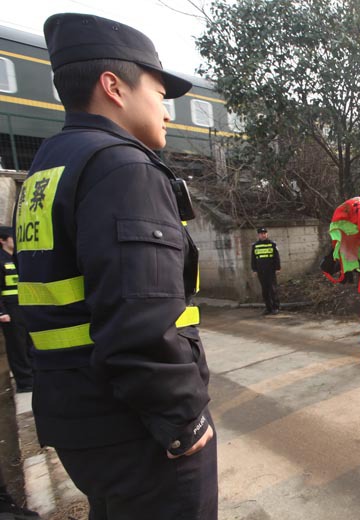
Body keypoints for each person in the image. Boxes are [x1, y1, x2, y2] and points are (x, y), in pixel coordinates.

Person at [14, 14, 216, 518]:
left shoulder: (49, 167)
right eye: (158, 90)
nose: (167, 111)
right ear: (113, 87)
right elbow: (141, 316)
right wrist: (182, 420)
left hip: (81, 420)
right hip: (137, 428)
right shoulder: (123, 167)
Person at [0, 226, 33, 393]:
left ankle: (33, 375)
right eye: (12, 237)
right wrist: (2, 311)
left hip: (23, 305)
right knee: (16, 346)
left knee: (27, 341)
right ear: (3, 240)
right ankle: (24, 382)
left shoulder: (16, 258)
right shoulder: (1, 259)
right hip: (10, 308)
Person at [251, 227, 281, 315]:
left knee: (273, 289)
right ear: (258, 235)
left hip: (271, 270)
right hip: (261, 271)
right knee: (265, 290)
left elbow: (276, 257)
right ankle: (268, 308)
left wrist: (278, 268)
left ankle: (275, 307)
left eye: (265, 233)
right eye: (261, 233)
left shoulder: (272, 244)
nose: (263, 235)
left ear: (267, 234)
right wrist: (254, 269)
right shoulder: (255, 246)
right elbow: (253, 259)